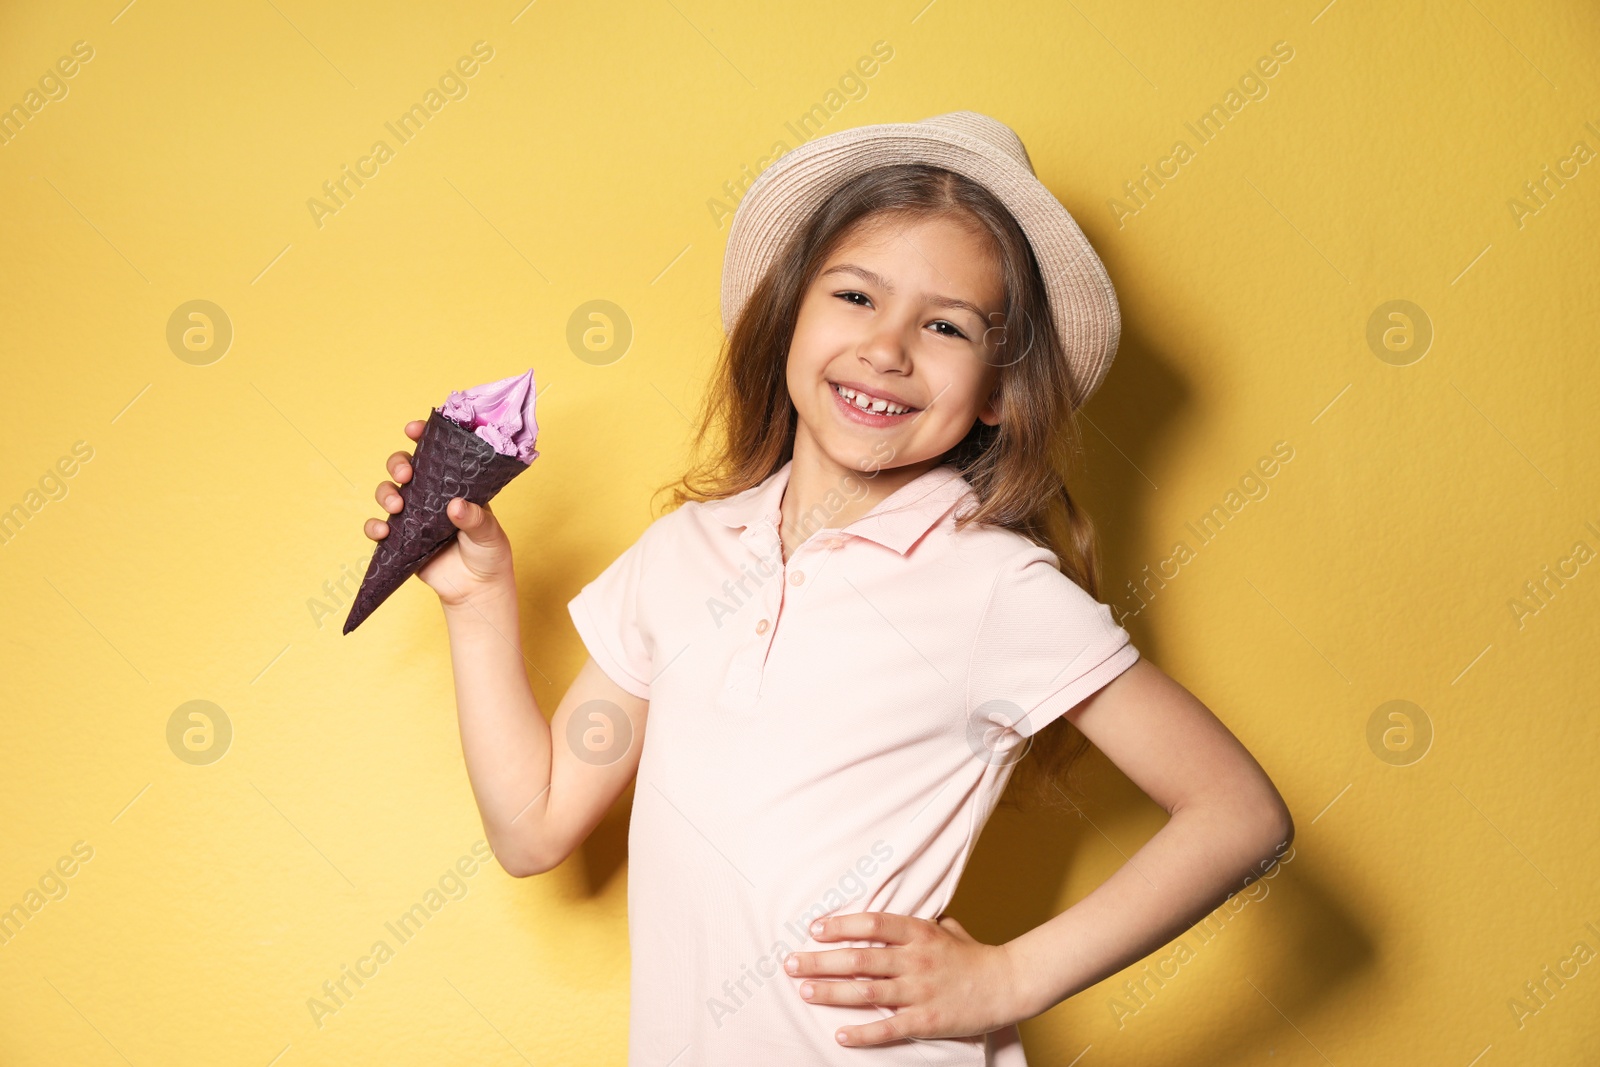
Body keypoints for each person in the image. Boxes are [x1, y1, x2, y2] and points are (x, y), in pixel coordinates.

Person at [362, 111, 1293, 1065]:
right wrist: (478, 603)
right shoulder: (683, 556)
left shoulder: (993, 586)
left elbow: (1240, 814)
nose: (888, 347)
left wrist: (1010, 977)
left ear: (1000, 391)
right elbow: (534, 825)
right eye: (855, 296)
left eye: (945, 325)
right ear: (789, 317)